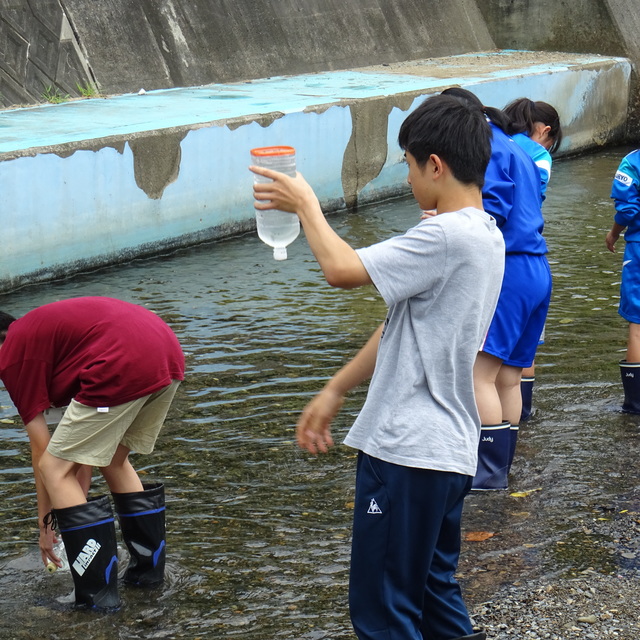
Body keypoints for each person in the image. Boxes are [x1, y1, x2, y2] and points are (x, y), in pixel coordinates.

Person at [251, 93, 505, 640]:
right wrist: (337, 387)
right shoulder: (487, 235)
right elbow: (401, 324)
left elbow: (341, 269)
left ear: (434, 165)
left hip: (407, 449)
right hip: (450, 451)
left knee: (383, 610)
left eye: (410, 166)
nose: (409, 180)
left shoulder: (443, 236)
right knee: (434, 595)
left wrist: (305, 205)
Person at [0, 297, 184, 609]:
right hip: (166, 352)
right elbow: (84, 447)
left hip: (122, 361)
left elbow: (42, 452)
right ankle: (147, 577)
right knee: (113, 458)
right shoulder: (51, 342)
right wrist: (72, 503)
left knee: (53, 469)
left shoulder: (13, 355)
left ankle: (97, 599)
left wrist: (46, 526)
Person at [441, 88, 552, 491]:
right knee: (508, 377)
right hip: (537, 267)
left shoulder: (485, 145)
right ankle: (503, 468)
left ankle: (485, 477)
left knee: (479, 375)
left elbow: (491, 211)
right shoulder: (517, 145)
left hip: (509, 267)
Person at [504, 98, 563, 422]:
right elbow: (533, 197)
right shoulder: (538, 155)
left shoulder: (498, 144)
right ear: (545, 131)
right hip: (528, 254)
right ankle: (522, 416)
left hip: (497, 251)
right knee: (526, 348)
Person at [606, 149, 640, 412]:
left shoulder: (632, 162)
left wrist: (614, 233)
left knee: (637, 324)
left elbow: (628, 210)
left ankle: (635, 403)